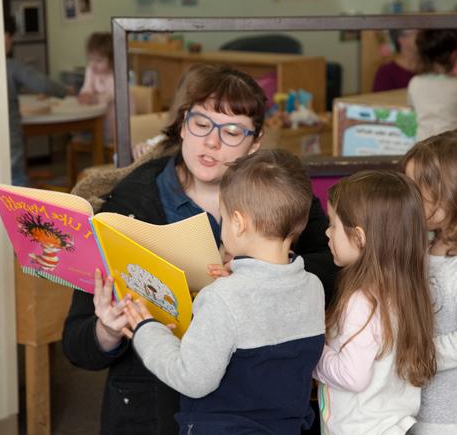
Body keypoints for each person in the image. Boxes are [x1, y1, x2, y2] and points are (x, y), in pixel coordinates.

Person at [62, 63, 337, 435]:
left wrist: (260, 275)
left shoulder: (280, 197)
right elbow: (77, 344)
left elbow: (334, 265)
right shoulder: (128, 204)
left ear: (255, 143)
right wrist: (108, 332)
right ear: (181, 125)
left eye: (233, 131)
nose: (212, 142)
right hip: (151, 408)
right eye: (201, 123)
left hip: (256, 412)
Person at [123, 148, 325, 434]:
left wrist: (146, 330)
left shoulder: (222, 298)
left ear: (239, 223)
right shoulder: (312, 287)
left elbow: (192, 378)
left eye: (224, 215)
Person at [313, 170, 437, 435]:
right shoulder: (406, 291)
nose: (327, 233)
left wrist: (313, 351)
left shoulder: (362, 300)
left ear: (359, 237)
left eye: (333, 224)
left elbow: (352, 376)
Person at [402, 130, 457, 435]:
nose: (409, 196)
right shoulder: (425, 248)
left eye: (418, 188)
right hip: (414, 409)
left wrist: (419, 356)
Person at [4, 14, 69, 186]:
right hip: (9, 134)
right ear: (3, 36)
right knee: (16, 176)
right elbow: (41, 83)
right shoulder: (10, 66)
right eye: (10, 37)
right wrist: (64, 90)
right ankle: (19, 212)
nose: (11, 42)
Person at [408, 29, 457, 141]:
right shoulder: (454, 85)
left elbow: (412, 109)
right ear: (453, 54)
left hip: (423, 147)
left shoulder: (415, 82)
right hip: (450, 148)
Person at [77, 32, 116, 145]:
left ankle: (107, 139)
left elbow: (112, 94)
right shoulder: (91, 70)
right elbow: (87, 87)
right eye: (91, 59)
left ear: (112, 60)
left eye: (99, 60)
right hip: (98, 114)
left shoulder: (114, 74)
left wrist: (96, 99)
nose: (93, 64)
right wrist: (85, 94)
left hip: (115, 116)